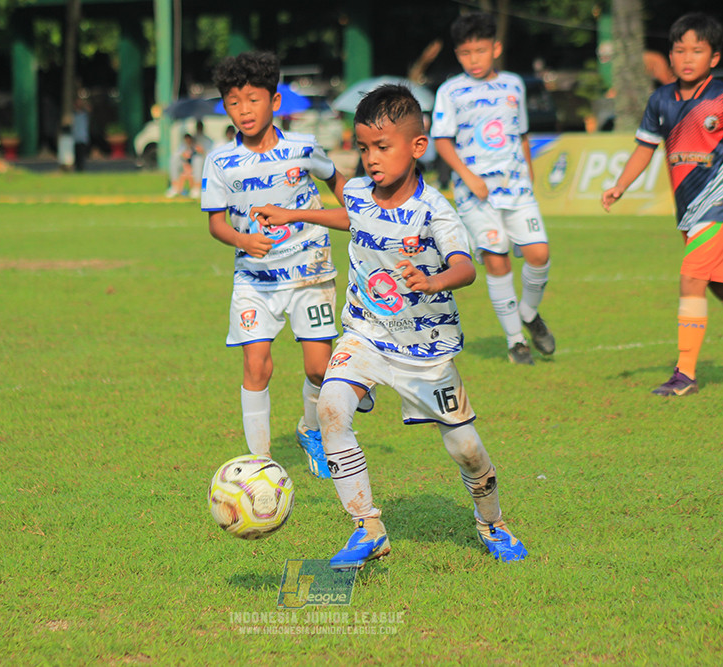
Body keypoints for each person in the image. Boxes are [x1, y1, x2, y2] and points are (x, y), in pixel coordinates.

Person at [252, 85, 528, 569]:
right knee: (333, 410)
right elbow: (353, 217)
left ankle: (492, 523)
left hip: (427, 350)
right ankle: (368, 527)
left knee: (466, 448)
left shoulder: (435, 210)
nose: (371, 158)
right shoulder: (359, 190)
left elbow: (466, 267)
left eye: (382, 147)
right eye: (363, 148)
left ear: (417, 147)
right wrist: (294, 212)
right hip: (365, 335)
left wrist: (432, 278)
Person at [601, 12, 723, 396]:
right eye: (679, 50)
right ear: (669, 56)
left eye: (697, 50)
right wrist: (620, 185)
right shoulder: (660, 99)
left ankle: (685, 374)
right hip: (689, 211)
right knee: (722, 285)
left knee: (690, 278)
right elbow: (644, 149)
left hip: (722, 205)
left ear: (714, 58)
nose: (687, 58)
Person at [201, 51, 346, 477]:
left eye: (252, 99)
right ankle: (261, 463)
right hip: (254, 280)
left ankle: (310, 429)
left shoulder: (303, 149)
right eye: (233, 101)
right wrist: (242, 239)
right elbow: (216, 224)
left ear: (274, 101)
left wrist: (355, 210)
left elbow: (336, 180)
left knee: (320, 369)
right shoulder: (219, 160)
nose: (243, 110)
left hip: (310, 270)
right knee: (256, 363)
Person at [432, 12, 555, 366]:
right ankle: (516, 341)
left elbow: (521, 134)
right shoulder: (450, 91)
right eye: (466, 52)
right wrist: (467, 177)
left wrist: (529, 172)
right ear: (458, 54)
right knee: (497, 261)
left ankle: (529, 314)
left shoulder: (514, 85)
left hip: (516, 188)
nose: (474, 59)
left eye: (480, 51)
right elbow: (442, 141)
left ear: (496, 48)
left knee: (539, 254)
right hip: (475, 194)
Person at [168, 120, 212, 198]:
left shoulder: (207, 140)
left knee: (197, 160)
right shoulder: (190, 140)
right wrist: (184, 155)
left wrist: (202, 151)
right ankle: (174, 186)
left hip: (201, 163)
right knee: (174, 159)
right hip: (186, 164)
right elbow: (179, 152)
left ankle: (197, 187)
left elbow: (210, 155)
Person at [72, 96, 90, 172]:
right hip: (75, 137)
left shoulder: (85, 114)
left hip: (83, 137)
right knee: (76, 155)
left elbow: (89, 108)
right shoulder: (73, 114)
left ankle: (82, 168)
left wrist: (83, 102)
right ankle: (76, 168)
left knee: (82, 155)